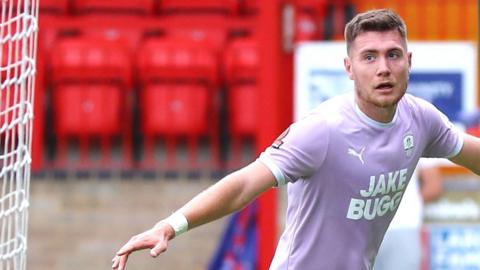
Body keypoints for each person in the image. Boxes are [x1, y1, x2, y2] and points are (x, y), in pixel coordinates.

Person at [112, 9, 480, 270]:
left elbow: (469, 153)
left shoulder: (421, 118)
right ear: (349, 69)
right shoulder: (322, 130)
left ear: (409, 62)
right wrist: (170, 225)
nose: (383, 67)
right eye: (369, 57)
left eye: (392, 55)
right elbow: (244, 184)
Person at [373, 159, 443, 270]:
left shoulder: (420, 141)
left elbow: (433, 186)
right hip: (365, 231)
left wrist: (407, 205)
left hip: (402, 225)